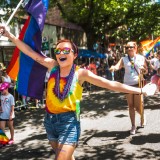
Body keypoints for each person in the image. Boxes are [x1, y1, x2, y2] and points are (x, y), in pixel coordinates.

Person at [0, 26, 148, 160]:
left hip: (69, 122)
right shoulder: (53, 66)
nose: (61, 53)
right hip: (49, 121)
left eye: (66, 51)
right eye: (58, 51)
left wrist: (141, 90)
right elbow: (30, 52)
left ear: (75, 55)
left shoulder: (81, 73)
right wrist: (10, 35)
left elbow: (110, 84)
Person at [110, 41, 148, 135]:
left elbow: (146, 70)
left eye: (130, 47)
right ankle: (133, 126)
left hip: (138, 84)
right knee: (131, 106)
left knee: (138, 106)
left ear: (135, 48)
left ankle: (142, 116)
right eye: (127, 47)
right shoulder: (124, 59)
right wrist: (114, 67)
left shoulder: (141, 58)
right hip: (127, 84)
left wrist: (144, 70)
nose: (128, 49)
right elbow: (118, 66)